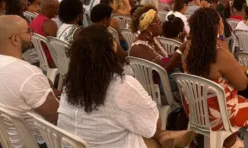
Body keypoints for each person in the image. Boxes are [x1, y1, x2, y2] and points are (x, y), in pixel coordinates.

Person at [57, 25, 195, 148]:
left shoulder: (69, 86)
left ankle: (165, 136)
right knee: (143, 131)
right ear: (112, 49)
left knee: (128, 122)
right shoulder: (123, 85)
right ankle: (164, 136)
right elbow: (153, 125)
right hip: (114, 143)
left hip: (75, 143)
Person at [184, 8, 248, 148]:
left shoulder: (189, 50)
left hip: (195, 110)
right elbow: (243, 84)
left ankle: (231, 140)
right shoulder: (219, 54)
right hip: (220, 116)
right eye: (220, 22)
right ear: (216, 27)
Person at [0, 15, 59, 147]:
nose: (32, 34)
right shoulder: (28, 73)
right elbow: (55, 115)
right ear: (15, 39)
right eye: (28, 31)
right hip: (36, 142)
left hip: (6, 137)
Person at [129, 7, 183, 75]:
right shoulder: (138, 47)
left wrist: (173, 56)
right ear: (148, 27)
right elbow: (163, 70)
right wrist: (179, 51)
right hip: (156, 83)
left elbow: (163, 60)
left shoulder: (154, 39)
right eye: (158, 22)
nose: (161, 24)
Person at [30, 0, 59, 68]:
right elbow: (58, 47)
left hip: (41, 58)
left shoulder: (35, 20)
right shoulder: (50, 24)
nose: (57, 11)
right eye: (56, 8)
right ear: (49, 9)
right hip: (52, 61)